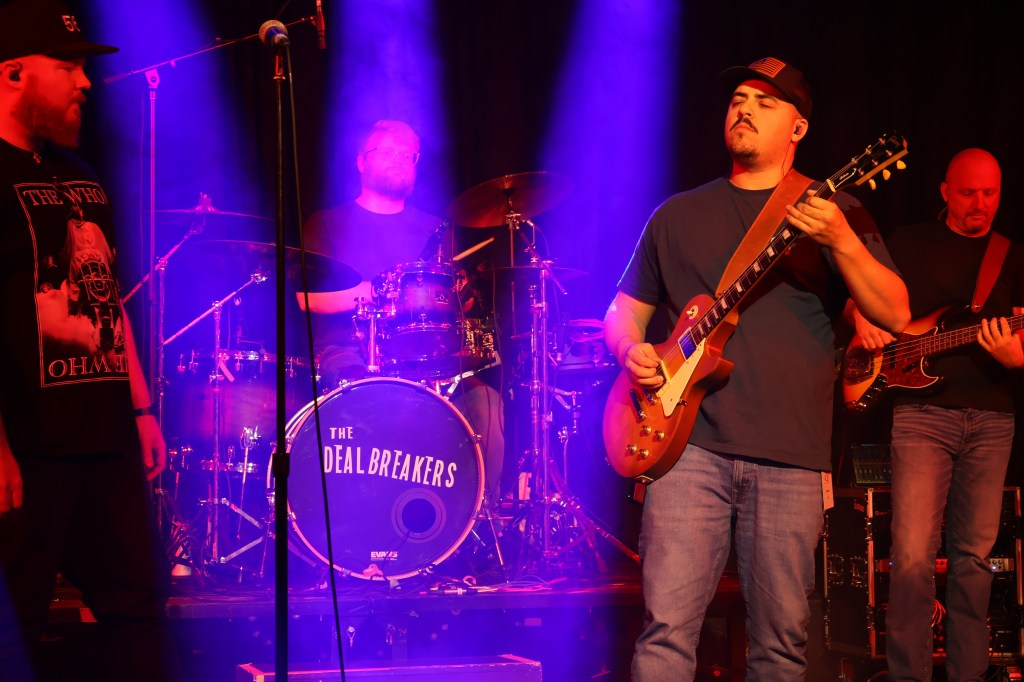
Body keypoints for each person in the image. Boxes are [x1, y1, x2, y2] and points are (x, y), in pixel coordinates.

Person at [603, 56, 910, 679]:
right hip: (685, 449)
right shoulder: (676, 215)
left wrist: (842, 241)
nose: (744, 108)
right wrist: (631, 350)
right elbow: (622, 313)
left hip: (790, 455)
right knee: (665, 636)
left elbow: (897, 313)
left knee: (780, 646)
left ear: (798, 129)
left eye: (766, 103)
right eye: (739, 97)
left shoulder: (836, 211)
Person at [0, 1, 182, 680]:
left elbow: (109, 295)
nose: (85, 82)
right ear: (15, 73)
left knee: (136, 611)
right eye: (67, 66)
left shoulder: (81, 173)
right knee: (16, 618)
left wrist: (139, 408)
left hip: (105, 437)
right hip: (30, 446)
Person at [849, 148, 1024, 682]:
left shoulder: (1011, 256)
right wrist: (862, 322)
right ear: (945, 192)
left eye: (990, 193)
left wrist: (1014, 356)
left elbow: (1022, 352)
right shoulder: (907, 243)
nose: (980, 204)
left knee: (974, 561)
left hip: (993, 416)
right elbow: (861, 298)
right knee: (913, 558)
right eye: (969, 192)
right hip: (921, 414)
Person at [300, 119, 505, 506]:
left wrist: (463, 297)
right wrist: (374, 292)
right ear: (362, 161)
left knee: (487, 405)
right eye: (387, 151)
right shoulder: (327, 223)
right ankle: (363, 521)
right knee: (373, 400)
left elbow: (451, 303)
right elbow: (305, 299)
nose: (399, 160)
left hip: (430, 359)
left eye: (408, 155)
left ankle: (476, 524)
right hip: (351, 352)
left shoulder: (434, 228)